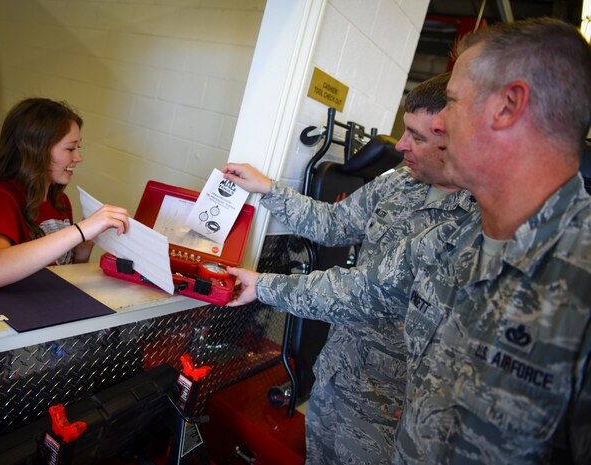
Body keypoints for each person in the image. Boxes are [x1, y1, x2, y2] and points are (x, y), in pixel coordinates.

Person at [229, 18, 591, 464]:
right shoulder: (451, 241)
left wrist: (261, 286)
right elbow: (363, 288)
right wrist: (262, 277)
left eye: (452, 103)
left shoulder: (575, 274)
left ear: (508, 105)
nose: (440, 122)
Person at [222, 72, 475, 465]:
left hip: (391, 403)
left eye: (418, 137)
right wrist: (269, 189)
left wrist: (264, 287)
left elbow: (364, 291)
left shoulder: (472, 222)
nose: (402, 145)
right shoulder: (398, 181)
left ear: (457, 140)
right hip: (338, 371)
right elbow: (333, 223)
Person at [0, 98, 130, 289]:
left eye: (79, 148)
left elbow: (66, 272)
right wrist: (80, 230)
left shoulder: (60, 201)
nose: (78, 157)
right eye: (70, 148)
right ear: (36, 150)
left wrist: (84, 246)